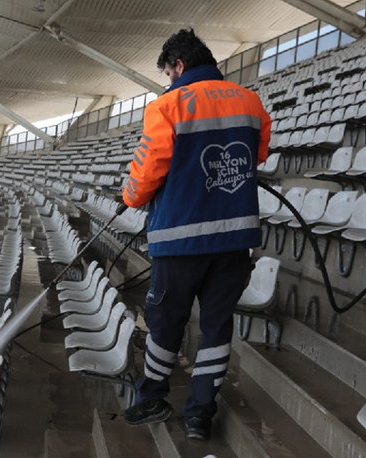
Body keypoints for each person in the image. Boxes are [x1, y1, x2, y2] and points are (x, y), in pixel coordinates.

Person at [121, 28, 271, 440]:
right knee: (217, 327)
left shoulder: (167, 106)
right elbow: (258, 154)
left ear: (179, 65)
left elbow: (147, 173)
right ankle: (199, 415)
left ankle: (151, 397)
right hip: (235, 241)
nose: (168, 80)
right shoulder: (250, 101)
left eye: (168, 72)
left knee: (165, 322)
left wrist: (130, 195)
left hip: (180, 240)